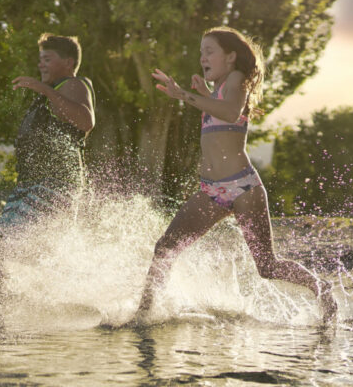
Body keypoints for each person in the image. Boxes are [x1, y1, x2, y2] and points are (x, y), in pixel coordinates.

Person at [136, 27, 336, 323]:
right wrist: (202, 95)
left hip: (243, 188)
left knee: (267, 267)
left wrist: (184, 95)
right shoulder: (218, 88)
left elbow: (230, 113)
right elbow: (221, 113)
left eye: (209, 51)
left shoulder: (237, 79)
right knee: (165, 247)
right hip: (212, 191)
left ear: (230, 57)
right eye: (201, 52)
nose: (202, 57)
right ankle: (143, 316)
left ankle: (322, 289)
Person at [0, 33, 94, 331]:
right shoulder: (51, 90)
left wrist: (43, 89)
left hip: (55, 182)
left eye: (48, 58)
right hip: (29, 184)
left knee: (7, 243)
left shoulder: (74, 84)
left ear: (68, 62)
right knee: (9, 245)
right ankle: (2, 306)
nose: (40, 63)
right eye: (40, 58)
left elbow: (85, 121)